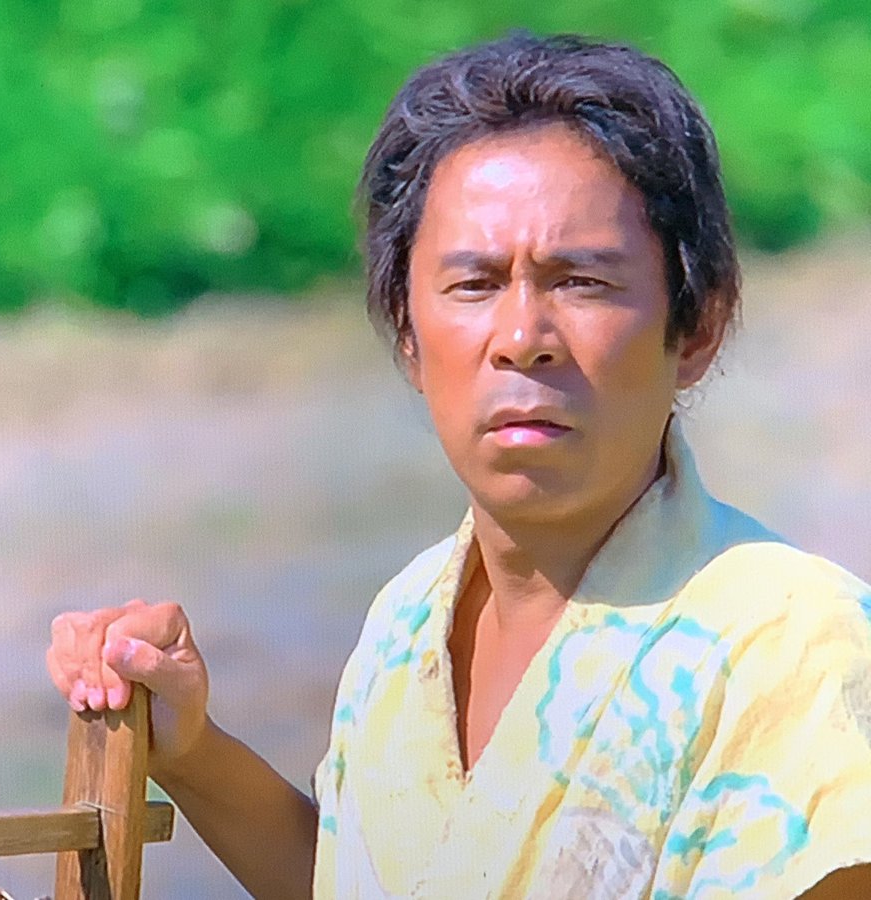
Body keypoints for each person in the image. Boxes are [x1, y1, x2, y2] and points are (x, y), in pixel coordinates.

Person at [45, 32, 871, 899]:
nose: (521, 338)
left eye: (582, 282)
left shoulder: (791, 645)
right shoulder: (407, 625)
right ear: (408, 334)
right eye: (475, 284)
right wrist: (189, 749)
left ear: (697, 327)